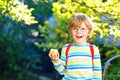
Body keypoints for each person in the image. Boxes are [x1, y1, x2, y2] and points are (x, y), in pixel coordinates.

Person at [49, 13, 102, 80]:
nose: (78, 32)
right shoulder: (66, 48)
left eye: (83, 29)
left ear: (89, 31)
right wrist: (56, 60)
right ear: (70, 31)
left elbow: (97, 73)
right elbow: (62, 72)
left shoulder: (93, 49)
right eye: (74, 28)